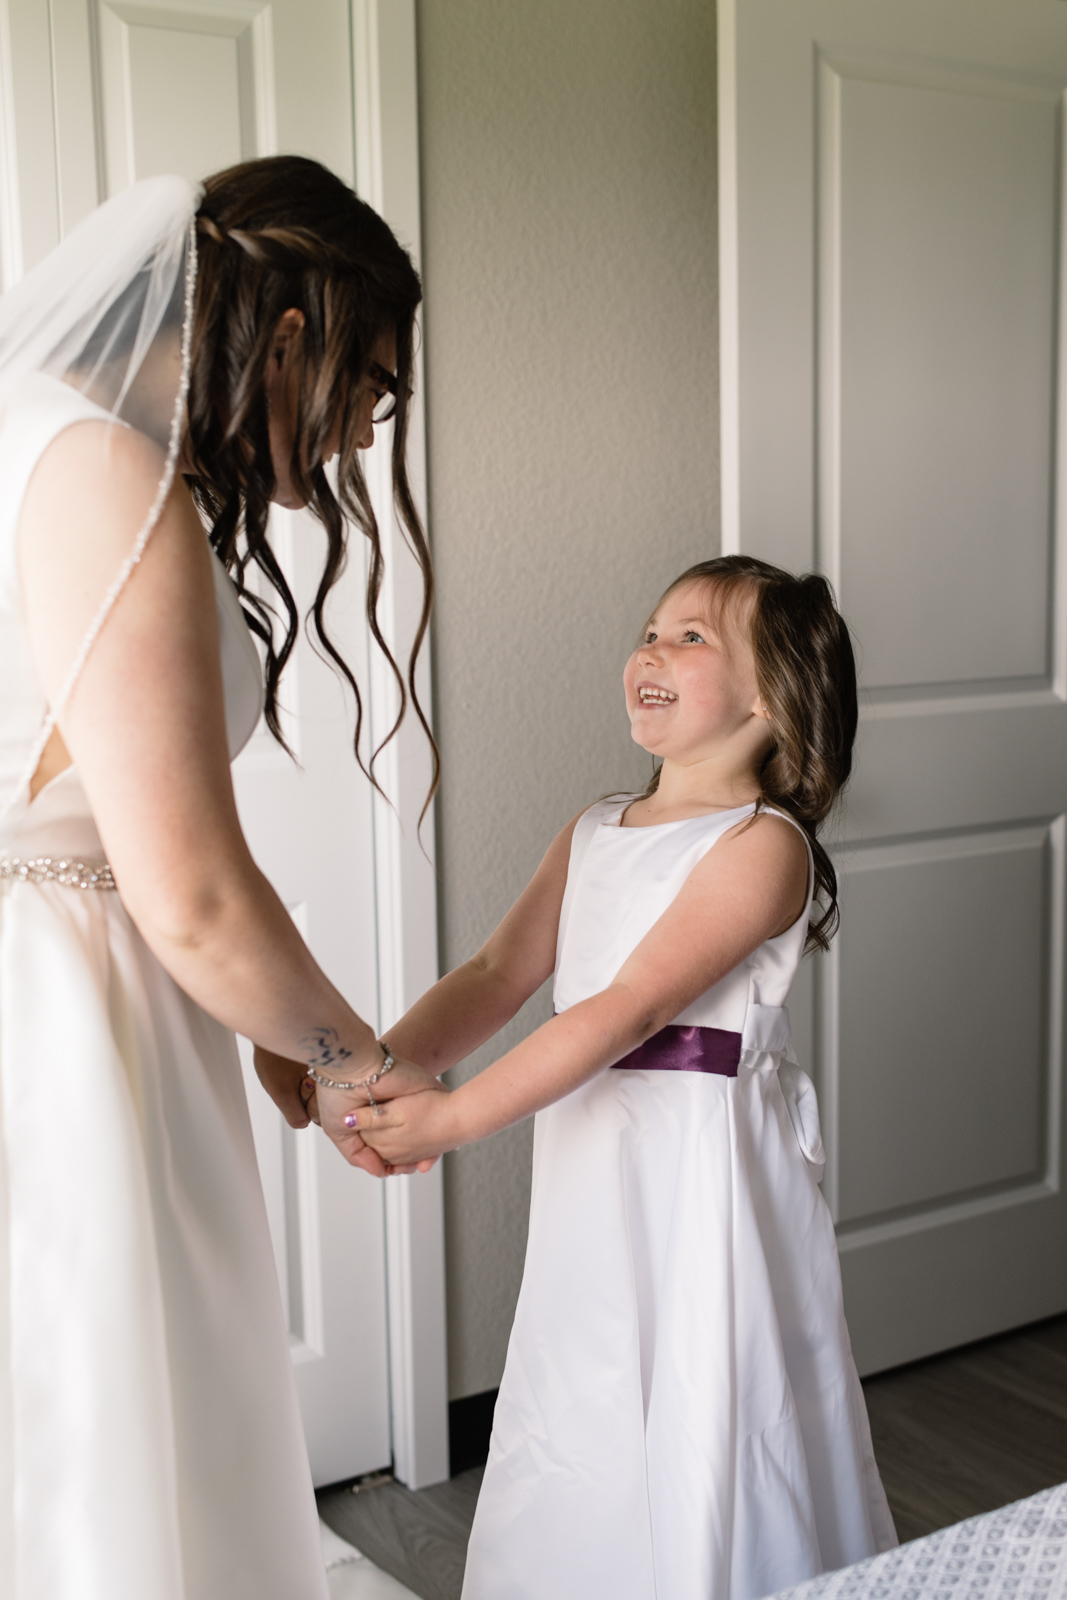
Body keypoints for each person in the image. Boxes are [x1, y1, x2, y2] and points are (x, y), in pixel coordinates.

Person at [0, 157, 437, 1598]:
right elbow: (187, 890)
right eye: (369, 384)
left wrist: (268, 1025)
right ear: (291, 333)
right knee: (99, 1434)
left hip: (88, 986)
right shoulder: (97, 467)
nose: (366, 435)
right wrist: (361, 1067)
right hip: (58, 1027)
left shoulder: (29, 434)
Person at [352, 556, 899, 1600]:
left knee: (703, 1374)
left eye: (691, 636)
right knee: (585, 1364)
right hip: (592, 1156)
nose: (651, 648)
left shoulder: (759, 846)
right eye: (650, 628)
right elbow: (497, 973)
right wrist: (385, 1071)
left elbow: (629, 1007)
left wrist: (454, 1118)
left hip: (696, 1174)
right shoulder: (595, 824)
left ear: (770, 693)